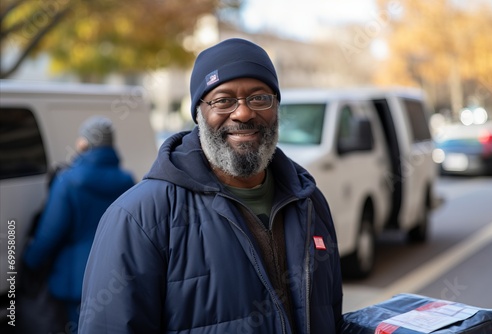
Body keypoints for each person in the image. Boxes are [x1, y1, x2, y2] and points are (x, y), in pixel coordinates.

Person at [79, 38, 343, 334]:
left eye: (259, 98)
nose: (243, 113)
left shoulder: (310, 204)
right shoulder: (139, 218)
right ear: (198, 113)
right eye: (223, 100)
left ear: (276, 107)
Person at [22, 116, 135, 333]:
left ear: (84, 143)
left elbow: (49, 235)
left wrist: (29, 263)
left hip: (75, 280)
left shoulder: (69, 181)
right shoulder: (127, 180)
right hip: (115, 276)